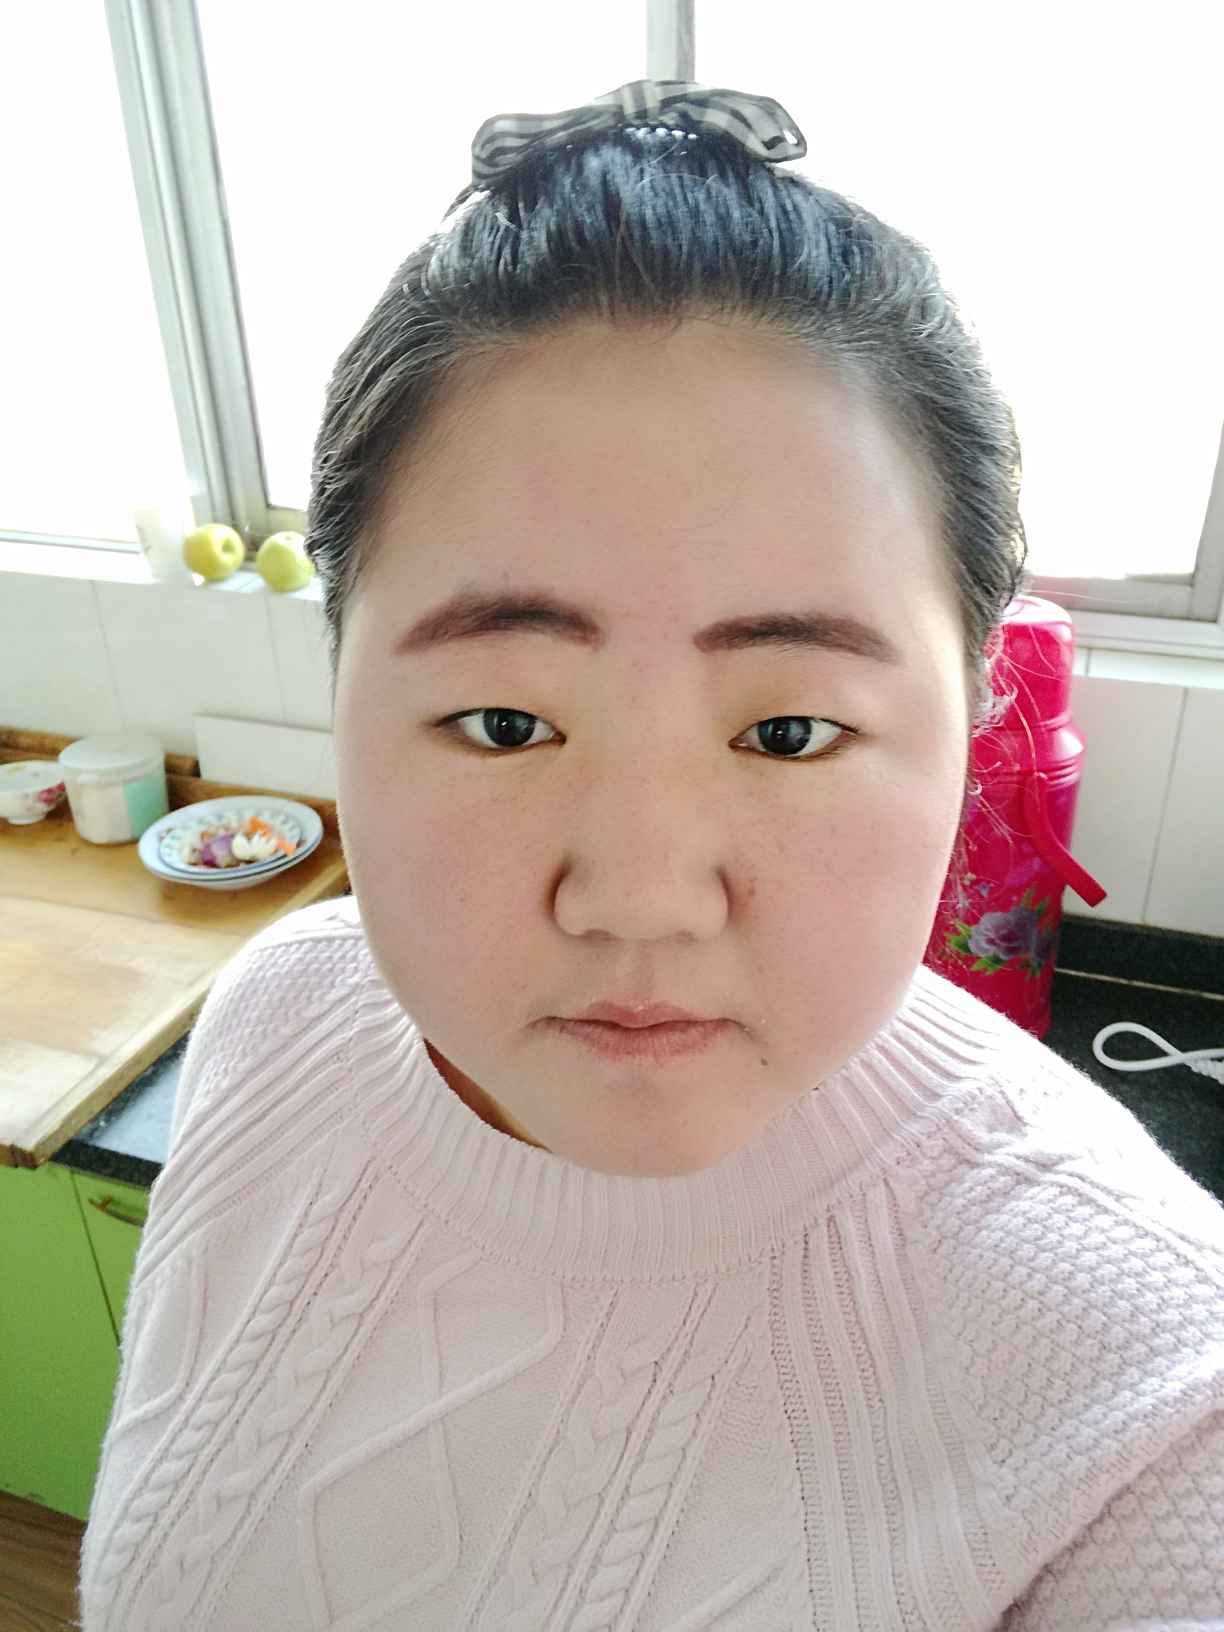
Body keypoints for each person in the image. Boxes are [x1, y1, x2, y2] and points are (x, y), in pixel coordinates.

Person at [78, 81, 1224, 1630]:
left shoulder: (1153, 1385)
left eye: (789, 732)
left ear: (973, 723)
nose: (640, 900)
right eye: (503, 722)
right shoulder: (282, 1014)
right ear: (339, 686)